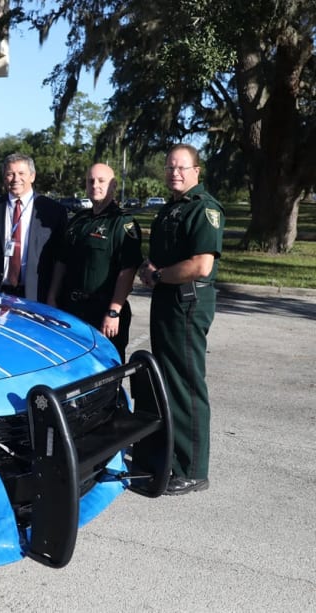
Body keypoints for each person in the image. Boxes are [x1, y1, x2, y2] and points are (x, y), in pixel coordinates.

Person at [137, 143, 224, 496]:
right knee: (167, 384)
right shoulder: (172, 209)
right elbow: (165, 259)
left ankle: (192, 469)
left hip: (187, 305)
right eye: (170, 167)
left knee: (186, 385)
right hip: (168, 302)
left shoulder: (203, 210)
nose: (174, 172)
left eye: (181, 168)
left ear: (196, 171)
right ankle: (170, 458)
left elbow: (201, 265)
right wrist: (150, 269)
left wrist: (158, 277)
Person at [47, 163, 142, 362]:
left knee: (105, 369)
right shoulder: (78, 221)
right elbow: (61, 262)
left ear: (114, 185)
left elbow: (128, 270)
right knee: (70, 365)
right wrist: (52, 297)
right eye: (90, 181)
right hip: (71, 309)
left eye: (101, 181)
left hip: (102, 311)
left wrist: (114, 311)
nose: (95, 185)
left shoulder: (123, 223)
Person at [0, 153, 67, 301]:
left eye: (21, 173)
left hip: (36, 296)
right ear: (4, 178)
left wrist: (54, 296)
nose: (16, 179)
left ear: (32, 176)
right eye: (10, 174)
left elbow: (61, 259)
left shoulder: (53, 211)